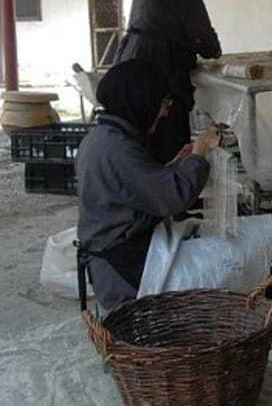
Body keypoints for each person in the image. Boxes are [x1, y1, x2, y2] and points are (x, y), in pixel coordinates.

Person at [76, 59, 221, 311]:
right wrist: (200, 152)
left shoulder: (103, 138)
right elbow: (175, 196)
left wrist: (175, 166)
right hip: (120, 269)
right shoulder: (117, 150)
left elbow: (134, 187)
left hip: (116, 255)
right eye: (163, 103)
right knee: (219, 267)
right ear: (141, 101)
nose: (164, 113)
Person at [115, 0, 222, 164]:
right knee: (167, 136)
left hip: (133, 60)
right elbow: (206, 41)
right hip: (160, 67)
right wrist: (213, 49)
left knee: (144, 135)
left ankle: (149, 183)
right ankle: (172, 187)